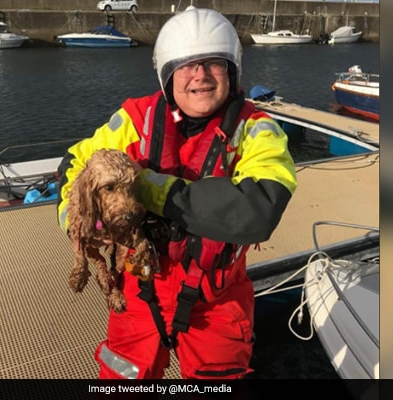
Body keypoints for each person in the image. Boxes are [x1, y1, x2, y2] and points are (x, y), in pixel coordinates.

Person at [56, 7, 297, 379]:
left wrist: (150, 188)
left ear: (232, 71)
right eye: (185, 65)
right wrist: (77, 220)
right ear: (167, 74)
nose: (199, 75)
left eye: (213, 63)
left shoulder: (259, 131)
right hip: (139, 290)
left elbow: (259, 209)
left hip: (216, 301)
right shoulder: (135, 119)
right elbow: (73, 167)